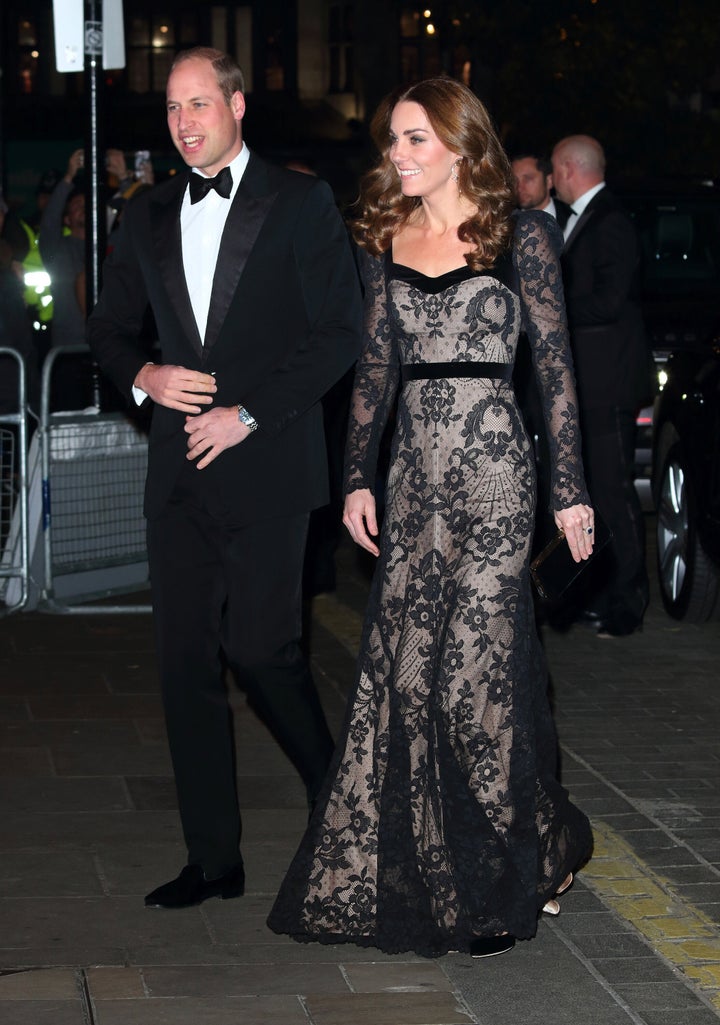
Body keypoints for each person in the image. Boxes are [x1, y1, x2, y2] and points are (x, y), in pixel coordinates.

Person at [268, 77, 594, 959]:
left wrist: (571, 488)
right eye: (393, 142)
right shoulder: (386, 234)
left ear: (459, 143)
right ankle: (474, 862)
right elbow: (375, 366)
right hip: (415, 475)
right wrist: (357, 476)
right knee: (408, 676)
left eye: (413, 139)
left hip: (494, 473)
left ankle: (502, 881)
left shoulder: (521, 234)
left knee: (473, 683)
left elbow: (555, 368)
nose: (397, 156)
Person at [87, 46, 362, 910]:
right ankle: (214, 859)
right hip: (177, 476)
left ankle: (343, 795)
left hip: (270, 465)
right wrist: (148, 378)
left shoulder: (300, 200)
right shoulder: (147, 211)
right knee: (181, 664)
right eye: (172, 109)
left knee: (261, 651)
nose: (183, 122)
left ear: (237, 106)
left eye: (198, 103)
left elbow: (338, 333)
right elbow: (106, 327)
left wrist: (247, 415)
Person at [551, 135, 652, 637]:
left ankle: (629, 603)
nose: (552, 180)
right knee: (593, 492)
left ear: (570, 169)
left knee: (614, 492)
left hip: (609, 382)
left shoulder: (610, 221)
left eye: (554, 169)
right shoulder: (587, 220)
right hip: (589, 383)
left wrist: (551, 311)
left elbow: (611, 302)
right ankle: (605, 593)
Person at [511, 152, 571, 228]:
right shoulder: (507, 223)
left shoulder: (571, 216)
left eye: (528, 179)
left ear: (549, 181)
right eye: (514, 181)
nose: (519, 187)